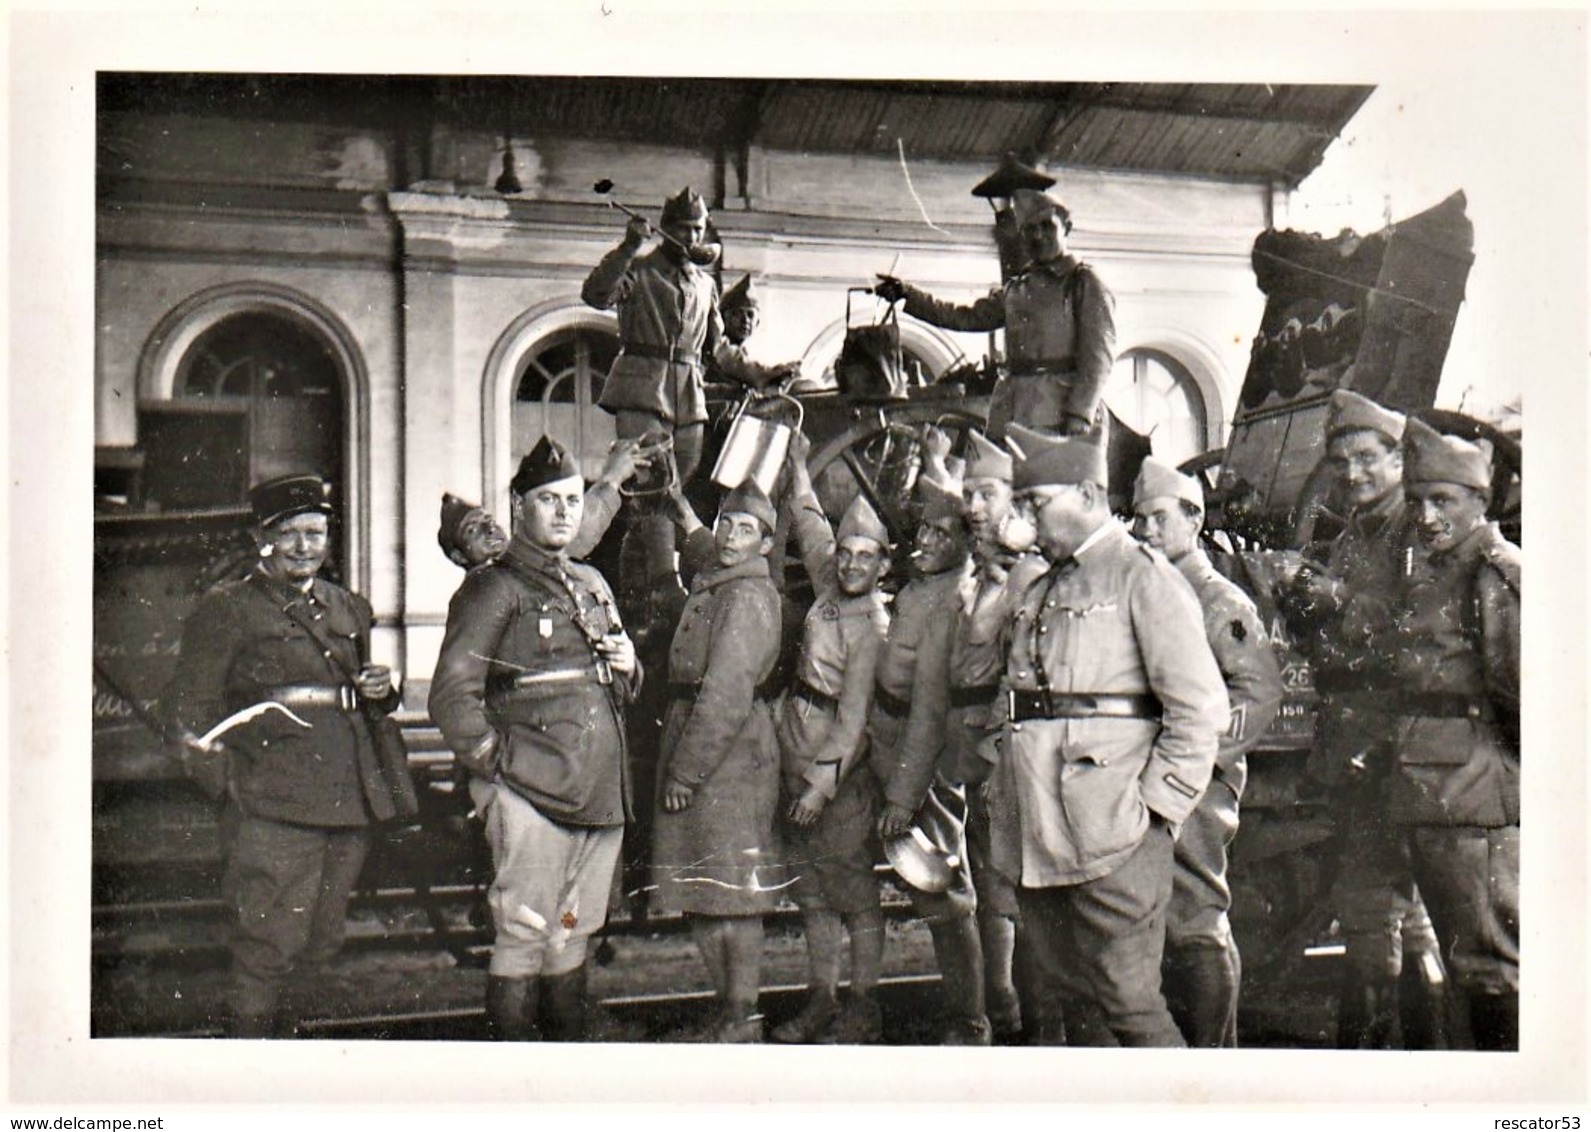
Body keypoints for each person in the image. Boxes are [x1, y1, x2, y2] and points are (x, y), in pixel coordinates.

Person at [990, 425, 1229, 1047]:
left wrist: (1156, 813)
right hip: (1041, 831)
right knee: (1075, 1000)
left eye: (1036, 503)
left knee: (1128, 1002)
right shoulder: (1045, 585)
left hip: (1112, 831)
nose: (1025, 519)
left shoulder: (1141, 576)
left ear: (1090, 495)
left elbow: (1199, 708)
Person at [166, 473, 403, 1037]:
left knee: (323, 941)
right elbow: (190, 711)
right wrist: (230, 788)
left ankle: (290, 1063)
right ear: (260, 538)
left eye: (315, 532)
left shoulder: (346, 606)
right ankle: (251, 1069)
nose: (304, 546)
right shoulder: (227, 609)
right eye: (289, 533)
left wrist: (382, 689)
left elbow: (364, 697)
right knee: (267, 944)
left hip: (347, 798)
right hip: (272, 804)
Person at [428, 436, 640, 1042]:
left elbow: (620, 685)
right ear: (520, 505)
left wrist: (630, 664)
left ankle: (560, 1075)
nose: (565, 512)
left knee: (571, 930)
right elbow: (452, 695)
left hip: (597, 791)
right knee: (524, 932)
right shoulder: (494, 588)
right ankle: (514, 1081)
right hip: (531, 794)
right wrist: (497, 766)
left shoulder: (592, 580)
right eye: (548, 500)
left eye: (573, 499)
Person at [1282, 389, 1446, 1049]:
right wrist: (1303, 606)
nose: (1352, 475)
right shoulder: (1356, 533)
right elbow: (1339, 643)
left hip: (1387, 742)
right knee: (1405, 921)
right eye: (1341, 463)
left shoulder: (1415, 531)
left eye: (1367, 460)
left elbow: (1421, 634)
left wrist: (1337, 597)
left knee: (1370, 912)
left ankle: (1368, 1070)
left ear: (1399, 458)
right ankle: (1425, 1060)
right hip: (1357, 738)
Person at [582, 189, 797, 610]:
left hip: (687, 395)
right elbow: (595, 294)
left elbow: (718, 351)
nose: (692, 236)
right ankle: (665, 582)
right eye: (683, 228)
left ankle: (637, 576)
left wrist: (762, 372)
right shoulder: (640, 271)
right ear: (666, 228)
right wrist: (628, 246)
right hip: (641, 388)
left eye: (698, 229)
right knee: (656, 483)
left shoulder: (704, 283)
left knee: (672, 490)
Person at [1132, 457, 1283, 1047]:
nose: (1145, 531)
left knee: (1195, 916)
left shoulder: (1217, 598)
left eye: (1159, 518)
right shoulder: (1153, 586)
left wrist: (1198, 756)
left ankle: (1213, 1060)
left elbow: (1259, 689)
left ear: (1193, 519)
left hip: (1197, 782)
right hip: (1158, 774)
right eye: (1139, 519)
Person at [1387, 419, 1519, 1050]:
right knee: (1463, 965)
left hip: (1476, 798)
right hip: (1433, 793)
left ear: (1479, 502)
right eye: (1417, 501)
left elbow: (1521, 698)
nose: (1427, 515)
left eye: (1443, 500)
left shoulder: (1494, 574)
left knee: (1491, 970)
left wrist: (1503, 786)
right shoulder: (1436, 572)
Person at [649, 478, 785, 1042]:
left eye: (746, 529)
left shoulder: (747, 595)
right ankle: (729, 1009)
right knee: (706, 894)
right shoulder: (725, 573)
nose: (730, 536)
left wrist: (685, 771)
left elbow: (727, 691)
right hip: (703, 738)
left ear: (767, 545)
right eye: (727, 523)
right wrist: (683, 511)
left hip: (724, 751)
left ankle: (742, 1012)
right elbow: (705, 544)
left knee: (734, 893)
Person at [925, 428, 1049, 1042]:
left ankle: (1017, 1009)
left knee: (1009, 880)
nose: (973, 505)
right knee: (979, 869)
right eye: (969, 493)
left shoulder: (1031, 574)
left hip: (1008, 746)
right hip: (968, 741)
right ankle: (999, 1007)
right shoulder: (975, 565)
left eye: (987, 493)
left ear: (1017, 499)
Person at [770, 448, 892, 1044]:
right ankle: (821, 1000)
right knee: (812, 894)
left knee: (854, 894)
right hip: (796, 747)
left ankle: (863, 1006)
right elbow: (813, 523)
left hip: (838, 775)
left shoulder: (872, 627)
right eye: (845, 555)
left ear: (883, 565)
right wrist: (795, 465)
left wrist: (820, 789)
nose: (848, 564)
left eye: (864, 557)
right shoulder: (830, 586)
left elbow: (856, 724)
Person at [869, 480, 992, 1045]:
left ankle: (972, 1021)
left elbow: (929, 709)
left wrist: (901, 795)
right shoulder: (923, 590)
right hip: (897, 748)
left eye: (943, 534)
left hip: (926, 761)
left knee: (942, 886)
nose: (925, 540)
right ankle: (996, 1007)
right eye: (923, 528)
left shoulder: (948, 603)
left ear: (967, 546)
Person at [873, 188, 1116, 440]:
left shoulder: (1084, 281)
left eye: (1047, 226)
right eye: (1030, 229)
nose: (1039, 235)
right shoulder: (1017, 288)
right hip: (1011, 408)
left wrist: (1080, 413)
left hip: (1060, 412)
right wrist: (908, 294)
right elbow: (965, 317)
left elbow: (1099, 357)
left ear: (1067, 227)